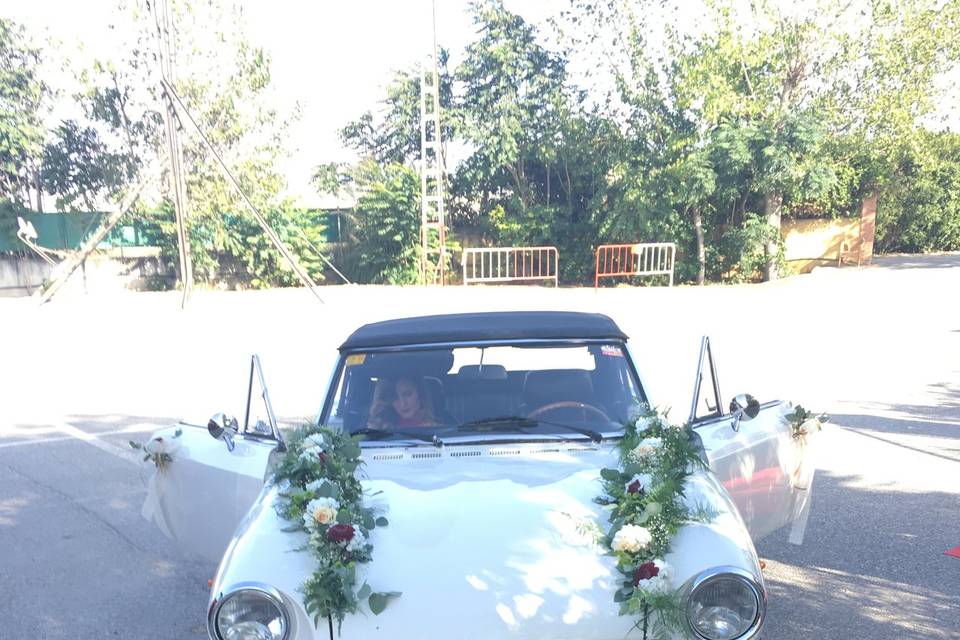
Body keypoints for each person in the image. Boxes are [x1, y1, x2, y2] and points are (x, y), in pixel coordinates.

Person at [368, 376, 437, 429]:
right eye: (395, 398)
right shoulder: (381, 430)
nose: (402, 403)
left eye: (407, 394)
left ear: (420, 394)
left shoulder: (441, 432)